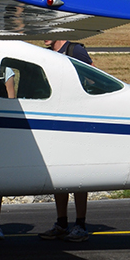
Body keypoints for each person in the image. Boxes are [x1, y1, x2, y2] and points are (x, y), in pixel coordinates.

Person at [38, 39, 93, 242]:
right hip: (55, 123)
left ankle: (80, 224)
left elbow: (95, 76)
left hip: (76, 123)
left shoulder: (74, 50)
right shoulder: (45, 54)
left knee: (78, 175)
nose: (44, 36)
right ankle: (61, 222)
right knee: (58, 175)